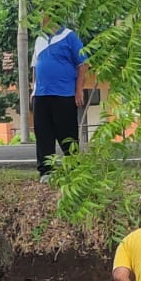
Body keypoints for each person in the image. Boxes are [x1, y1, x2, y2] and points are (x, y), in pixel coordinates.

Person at [30, 13, 88, 182]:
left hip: (64, 93)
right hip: (41, 94)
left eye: (43, 17)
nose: (40, 20)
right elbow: (35, 66)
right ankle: (46, 171)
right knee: (43, 134)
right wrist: (33, 90)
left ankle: (73, 168)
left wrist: (78, 90)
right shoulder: (39, 40)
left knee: (67, 133)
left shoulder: (69, 36)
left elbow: (83, 64)